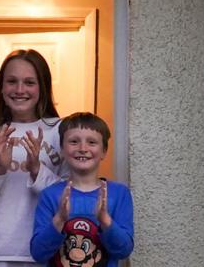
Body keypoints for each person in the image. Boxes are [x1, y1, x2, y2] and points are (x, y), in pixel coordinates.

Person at [0, 49, 67, 266]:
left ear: (43, 88)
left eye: (29, 82)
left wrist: (37, 170)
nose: (20, 90)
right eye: (12, 81)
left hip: (45, 250)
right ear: (1, 88)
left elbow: (71, 199)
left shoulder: (61, 132)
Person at [30, 112, 134, 267]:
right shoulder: (50, 195)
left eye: (92, 142)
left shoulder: (119, 194)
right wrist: (59, 220)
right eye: (74, 142)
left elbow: (123, 250)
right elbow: (38, 253)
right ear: (63, 150)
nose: (83, 148)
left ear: (104, 151)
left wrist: (106, 221)